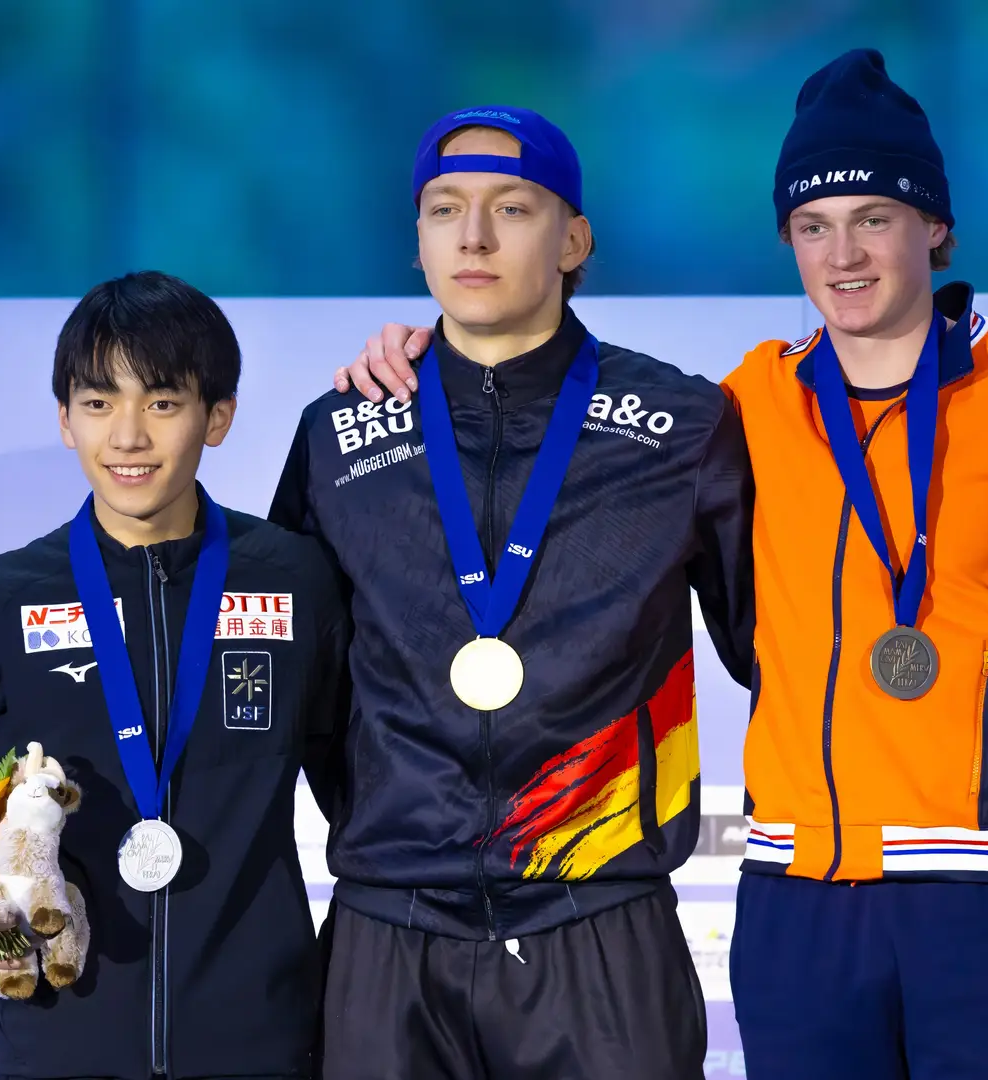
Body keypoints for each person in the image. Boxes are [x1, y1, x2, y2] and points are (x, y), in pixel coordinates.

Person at [337, 50, 988, 1079]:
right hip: (794, 911)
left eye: (874, 217)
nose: (845, 255)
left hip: (984, 900)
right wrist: (429, 361)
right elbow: (554, 446)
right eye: (814, 226)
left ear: (936, 226)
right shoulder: (744, 406)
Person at [268, 105, 752, 1080]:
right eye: (445, 209)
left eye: (512, 208)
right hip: (387, 924)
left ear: (573, 238)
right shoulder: (340, 433)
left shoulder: (683, 425)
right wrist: (388, 825)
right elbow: (297, 688)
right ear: (417, 240)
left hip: (599, 918)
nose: (473, 236)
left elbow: (778, 650)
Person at [0, 271, 351, 1080]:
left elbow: (365, 786)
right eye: (99, 403)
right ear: (66, 420)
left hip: (265, 1040)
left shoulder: (295, 579)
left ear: (219, 417)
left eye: (163, 402)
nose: (129, 437)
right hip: (62, 1045)